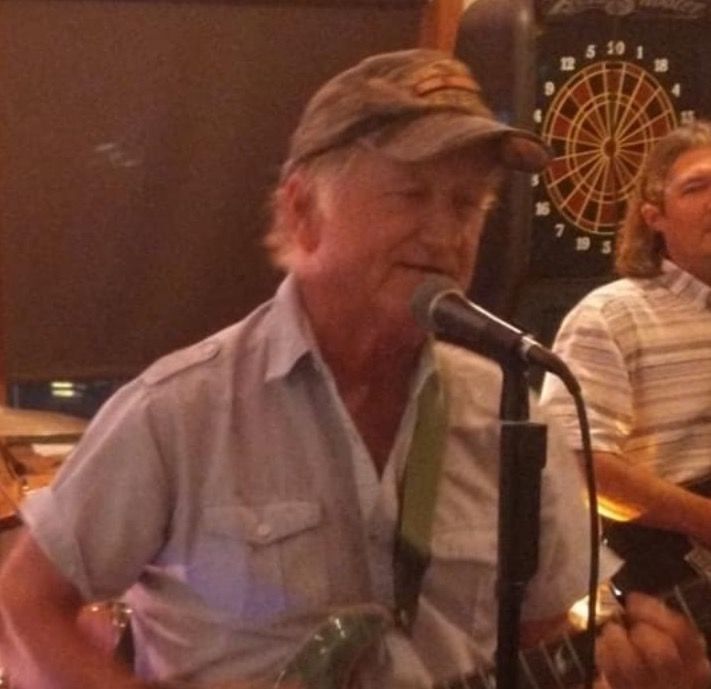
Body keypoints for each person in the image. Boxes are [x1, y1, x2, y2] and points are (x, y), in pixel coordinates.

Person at [0, 49, 706, 689]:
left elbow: (543, 647)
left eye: (466, 203)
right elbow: (25, 604)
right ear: (303, 210)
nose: (446, 232)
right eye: (410, 195)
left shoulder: (511, 413)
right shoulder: (180, 408)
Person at [540, 120, 711, 595]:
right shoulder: (611, 316)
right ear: (654, 217)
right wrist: (704, 519)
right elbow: (577, 464)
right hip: (677, 578)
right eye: (696, 187)